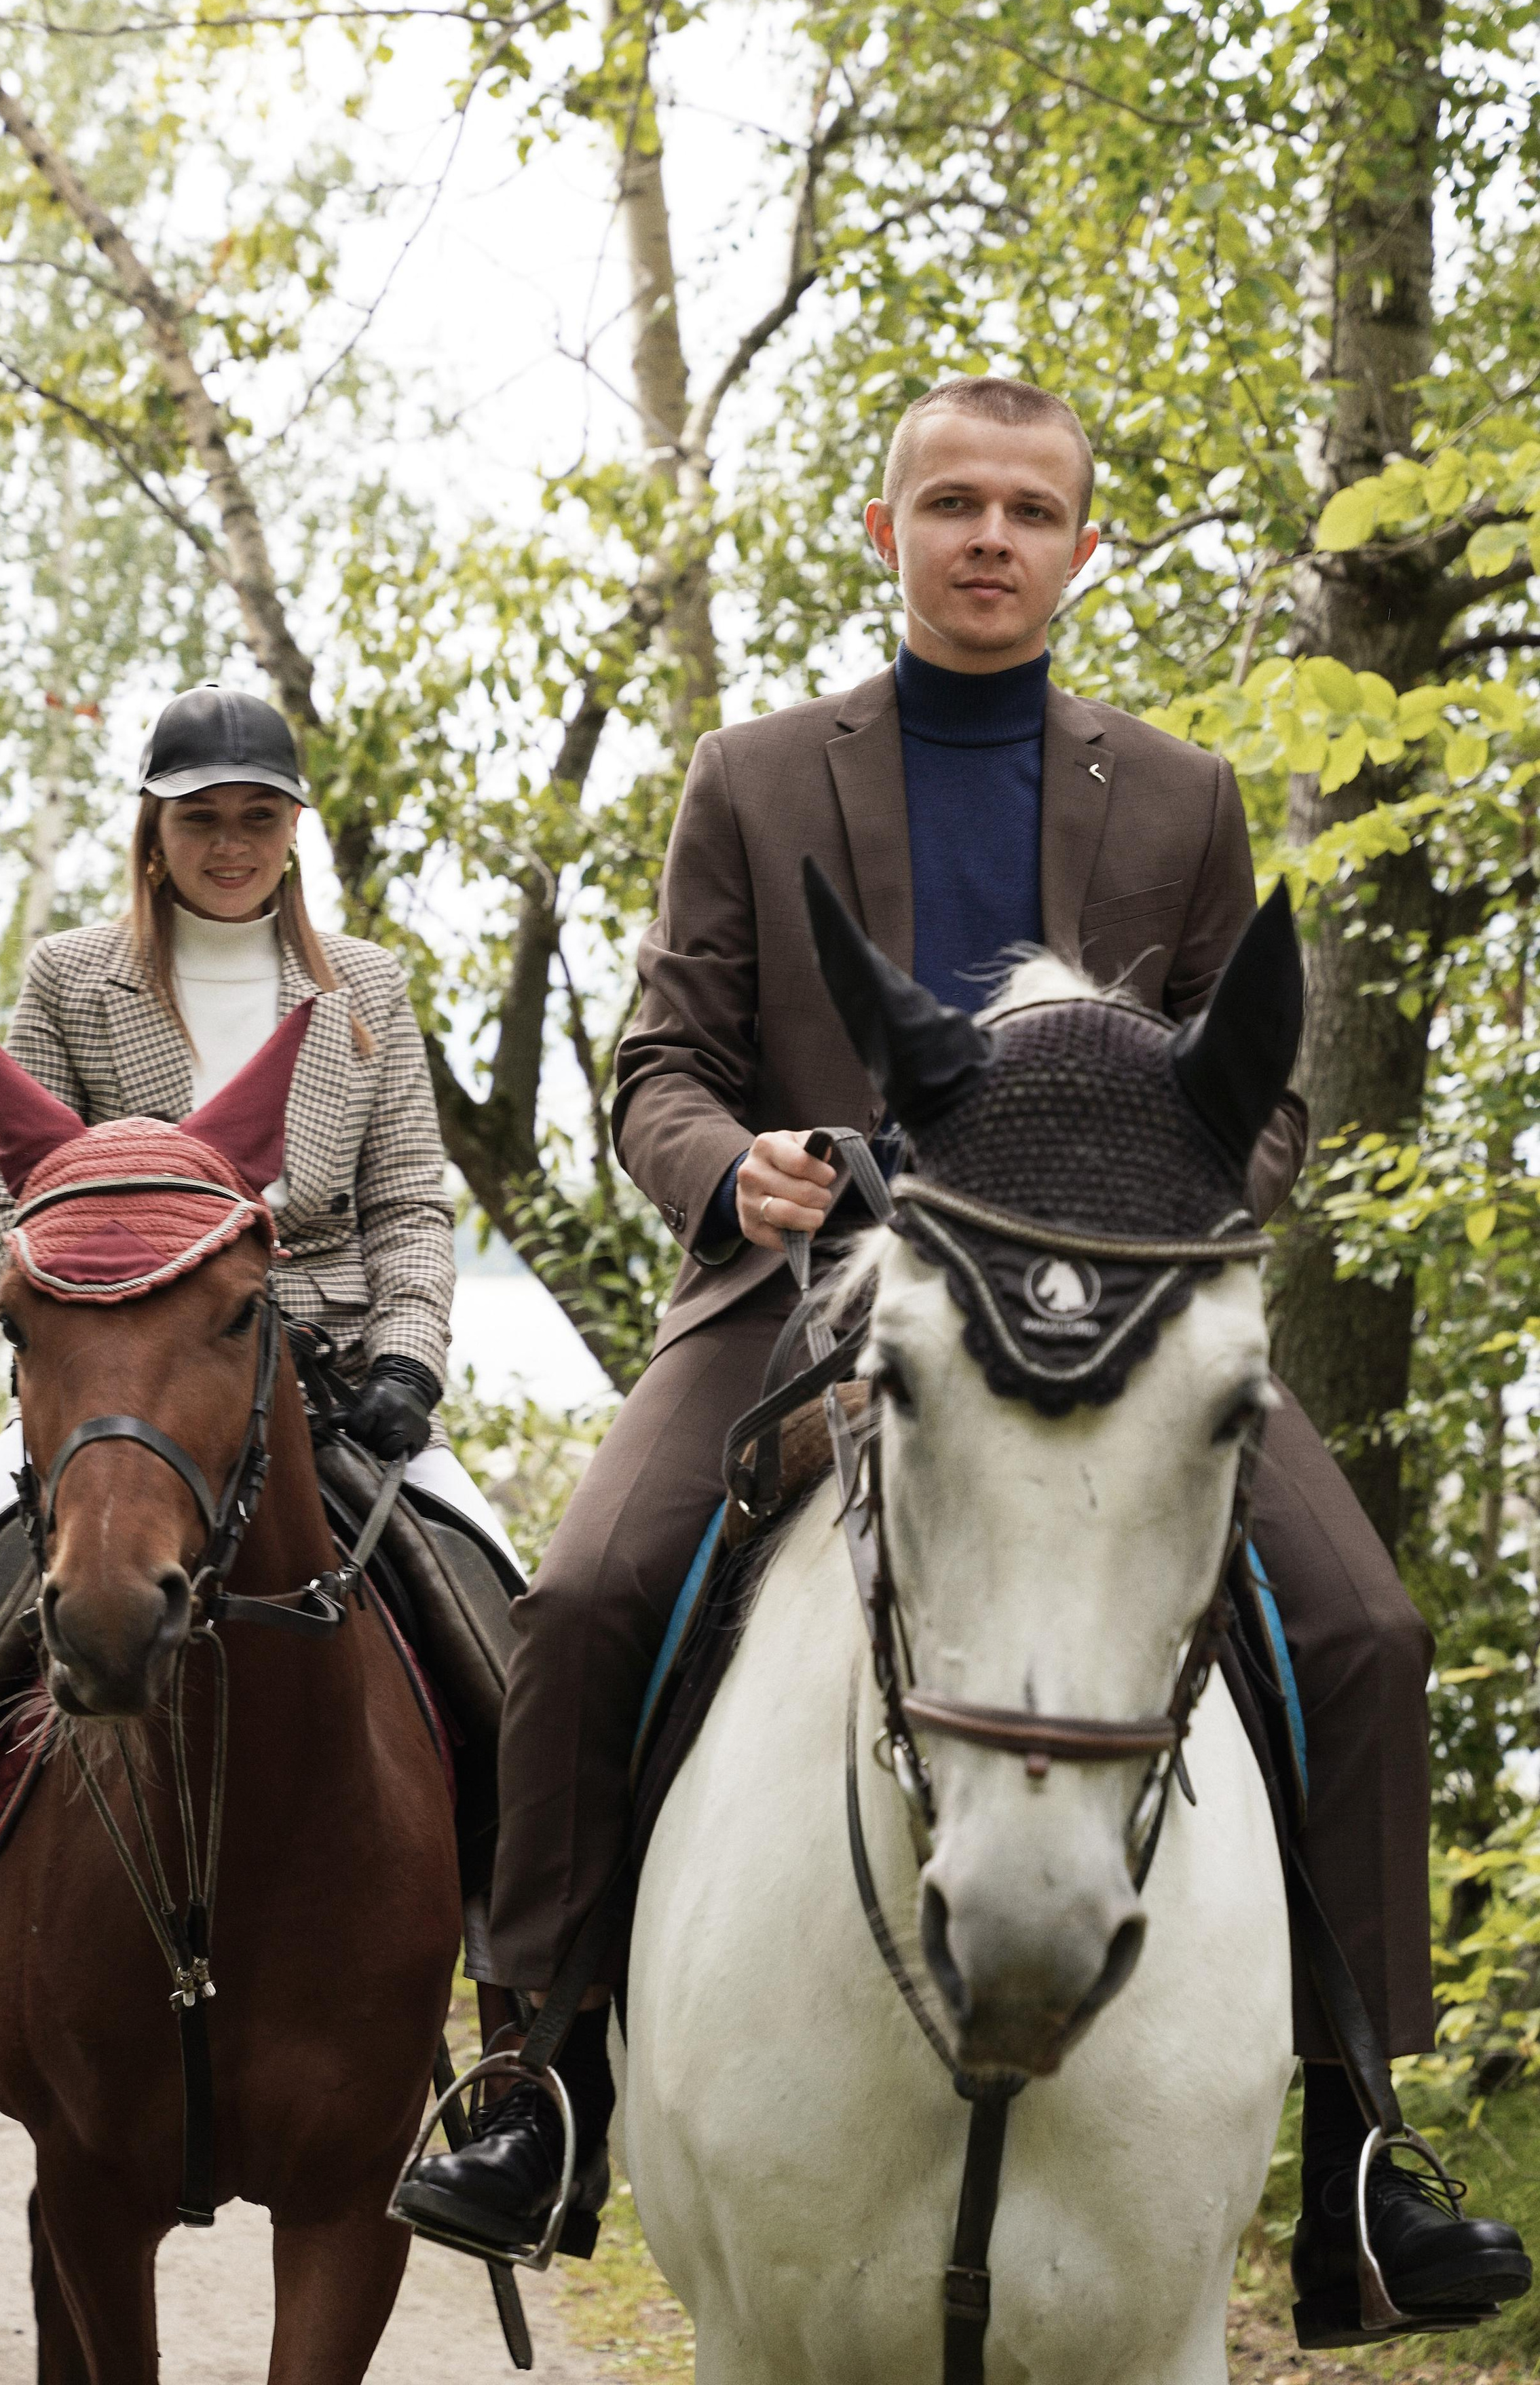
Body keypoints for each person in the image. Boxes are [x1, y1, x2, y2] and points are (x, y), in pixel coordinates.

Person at [399, 378, 1530, 2336]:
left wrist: (1162, 1207)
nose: (990, 537)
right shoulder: (752, 777)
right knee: (583, 1600)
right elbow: (662, 1063)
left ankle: (1362, 2147)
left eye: (1029, 508)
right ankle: (548, 2083)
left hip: (1112, 1303)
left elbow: (1249, 1107)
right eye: (952, 504)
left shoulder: (1181, 795)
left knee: (1361, 1631)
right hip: (807, 1293)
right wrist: (724, 1165)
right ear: (884, 530)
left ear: (1085, 546)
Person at [0, 683, 491, 2130]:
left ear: (292, 831)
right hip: (116, 1378)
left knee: (526, 1627)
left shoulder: (364, 989)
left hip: (336, 1389)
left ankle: (516, 2012)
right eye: (200, 819)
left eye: (255, 817)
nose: (229, 844)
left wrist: (410, 1363)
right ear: (155, 829)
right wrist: (67, 1303)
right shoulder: (70, 979)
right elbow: (9, 1194)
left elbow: (410, 1207)